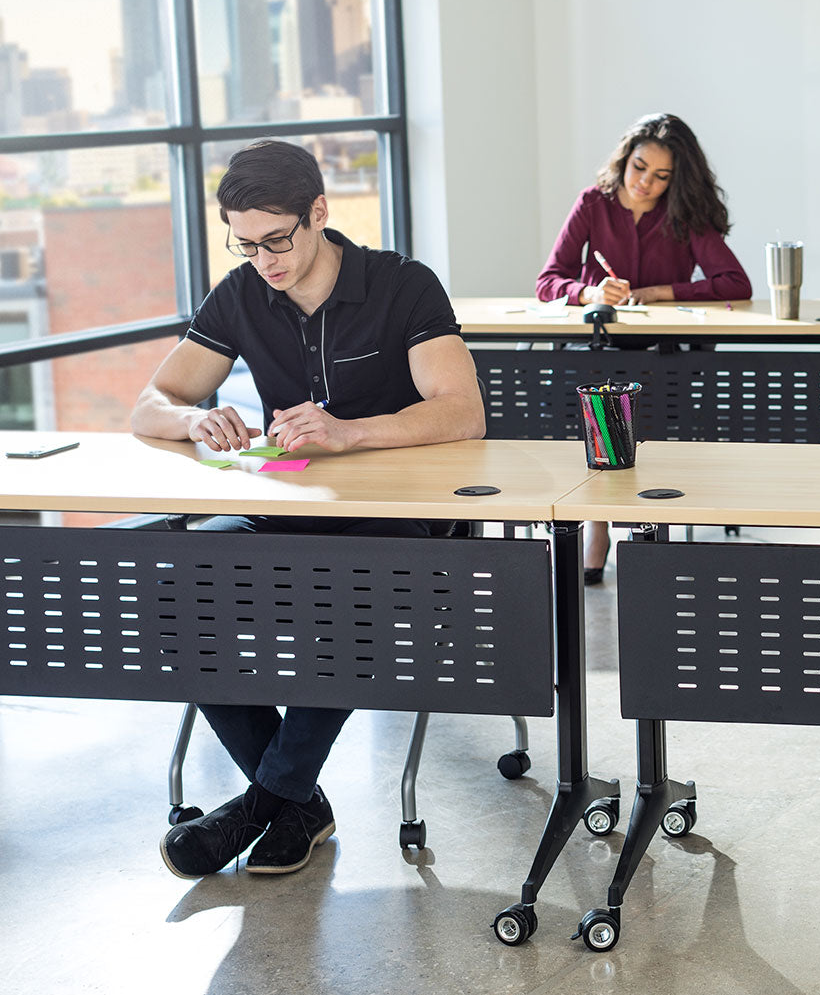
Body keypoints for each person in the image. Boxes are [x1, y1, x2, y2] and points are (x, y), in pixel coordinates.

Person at [131, 139, 486, 878]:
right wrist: (194, 421)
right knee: (175, 590)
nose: (264, 260)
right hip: (287, 506)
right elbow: (149, 404)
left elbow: (462, 413)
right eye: (246, 244)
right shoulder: (242, 291)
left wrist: (349, 432)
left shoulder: (402, 285)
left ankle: (261, 806)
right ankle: (297, 801)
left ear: (319, 212)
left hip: (403, 522)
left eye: (277, 240)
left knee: (348, 597)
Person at [537, 112, 751, 583]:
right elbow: (548, 281)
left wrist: (661, 292)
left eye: (660, 176)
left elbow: (735, 283)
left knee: (642, 407)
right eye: (638, 168)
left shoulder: (684, 213)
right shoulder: (593, 203)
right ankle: (597, 523)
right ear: (624, 160)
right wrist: (590, 293)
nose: (644, 183)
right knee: (592, 398)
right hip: (598, 346)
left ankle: (641, 522)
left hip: (661, 353)